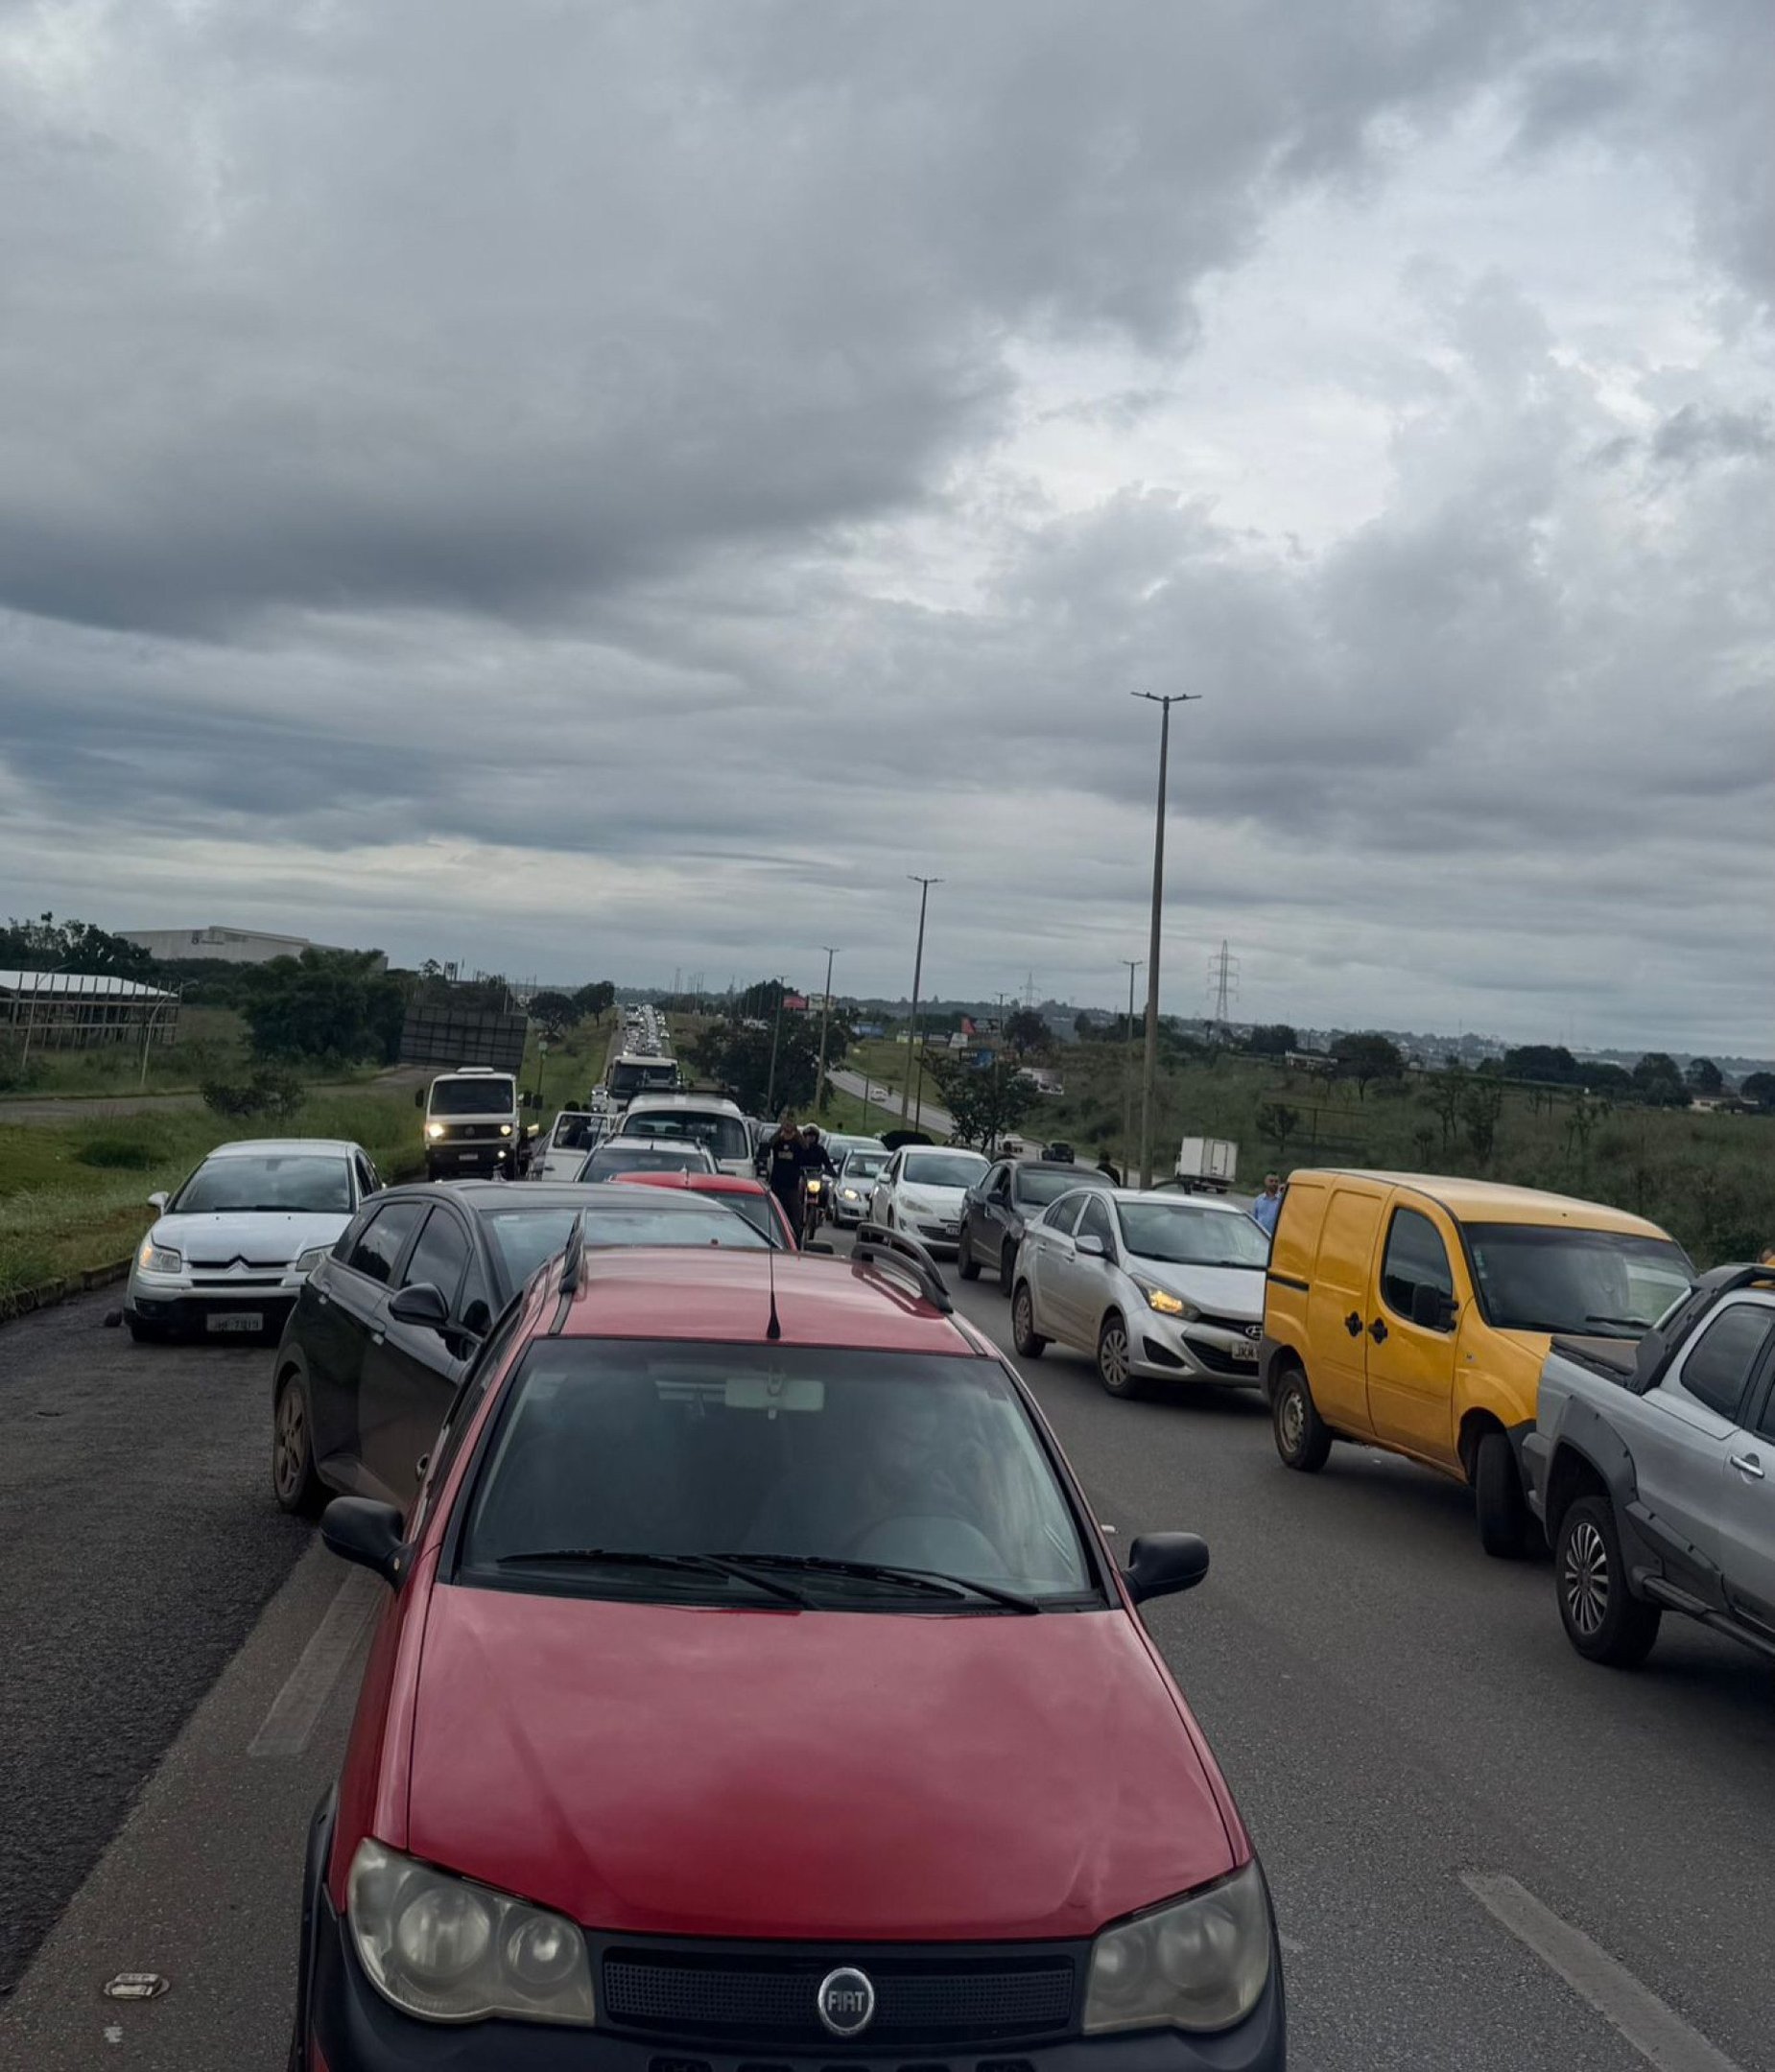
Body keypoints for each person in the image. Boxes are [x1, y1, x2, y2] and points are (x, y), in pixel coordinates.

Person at [758, 1114, 804, 1228]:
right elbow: (770, 1143)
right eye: (786, 1128)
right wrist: (780, 1130)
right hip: (777, 1183)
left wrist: (796, 1130)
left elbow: (805, 1146)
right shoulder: (778, 1143)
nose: (788, 1133)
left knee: (794, 1216)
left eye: (790, 1130)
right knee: (773, 1213)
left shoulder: (797, 1144)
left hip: (791, 1186)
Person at [797, 1124, 840, 1240]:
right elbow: (794, 1161)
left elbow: (827, 1163)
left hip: (815, 1178)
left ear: (816, 1137)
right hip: (804, 1178)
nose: (810, 1138)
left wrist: (831, 1172)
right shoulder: (800, 1148)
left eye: (813, 1136)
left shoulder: (820, 1150)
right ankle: (798, 1212)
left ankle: (821, 1212)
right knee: (798, 1190)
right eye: (808, 1136)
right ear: (804, 1137)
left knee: (825, 1191)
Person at [1251, 1172, 1284, 1238]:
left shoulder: (1282, 1201)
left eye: (1276, 1181)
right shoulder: (1259, 1200)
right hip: (1259, 1238)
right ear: (1265, 1182)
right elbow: (1254, 1220)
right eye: (1271, 1181)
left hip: (1274, 1239)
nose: (1274, 1183)